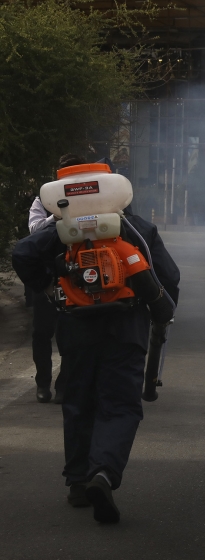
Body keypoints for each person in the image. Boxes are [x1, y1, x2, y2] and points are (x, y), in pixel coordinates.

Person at [12, 179, 179, 523]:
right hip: (126, 329)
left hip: (75, 327)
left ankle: (76, 483)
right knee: (118, 406)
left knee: (78, 402)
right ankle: (102, 473)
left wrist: (48, 286)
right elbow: (169, 276)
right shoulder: (137, 228)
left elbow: (22, 254)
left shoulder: (62, 231)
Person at [26, 154, 80, 403]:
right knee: (42, 332)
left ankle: (64, 385)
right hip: (46, 273)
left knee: (70, 332)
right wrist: (57, 215)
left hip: (77, 271)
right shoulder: (44, 198)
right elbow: (35, 231)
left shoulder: (91, 197)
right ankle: (43, 384)